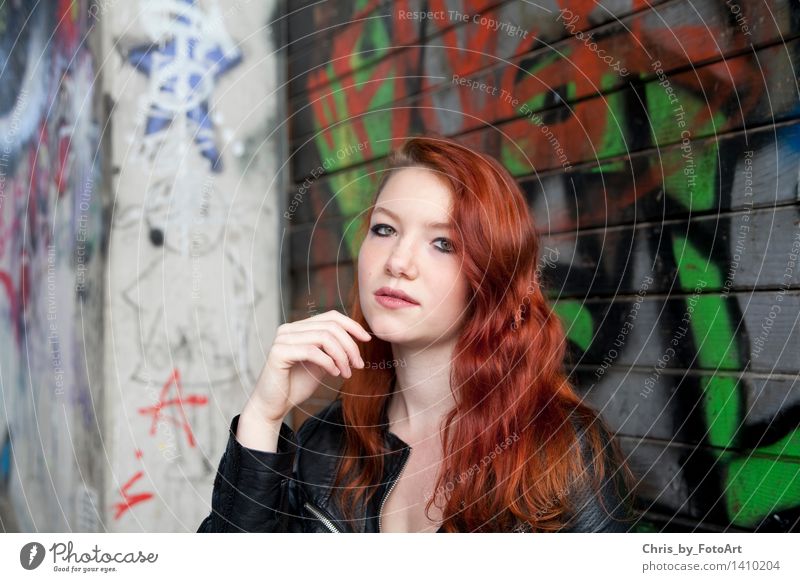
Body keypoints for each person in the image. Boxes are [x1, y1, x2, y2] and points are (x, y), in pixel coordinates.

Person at [197, 134, 638, 533]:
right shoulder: (325, 443)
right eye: (384, 229)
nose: (398, 262)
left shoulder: (561, 452)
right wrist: (262, 418)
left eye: (443, 243)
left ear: (490, 276)